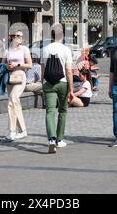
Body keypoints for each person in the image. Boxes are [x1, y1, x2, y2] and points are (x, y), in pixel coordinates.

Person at [42, 24, 74, 153]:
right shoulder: (66, 49)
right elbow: (69, 71)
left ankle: (51, 139)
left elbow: (42, 68)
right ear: (63, 35)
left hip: (48, 83)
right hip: (62, 83)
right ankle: (59, 140)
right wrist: (71, 89)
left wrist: (42, 83)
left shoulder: (45, 49)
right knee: (62, 111)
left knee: (50, 111)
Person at [3, 31, 32, 141]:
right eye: (15, 35)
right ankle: (23, 130)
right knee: (15, 103)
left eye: (20, 36)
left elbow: (30, 65)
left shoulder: (24, 49)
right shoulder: (8, 50)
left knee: (13, 100)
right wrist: (8, 66)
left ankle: (12, 131)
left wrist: (17, 64)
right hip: (10, 77)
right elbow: (2, 64)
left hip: (20, 76)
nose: (18, 38)